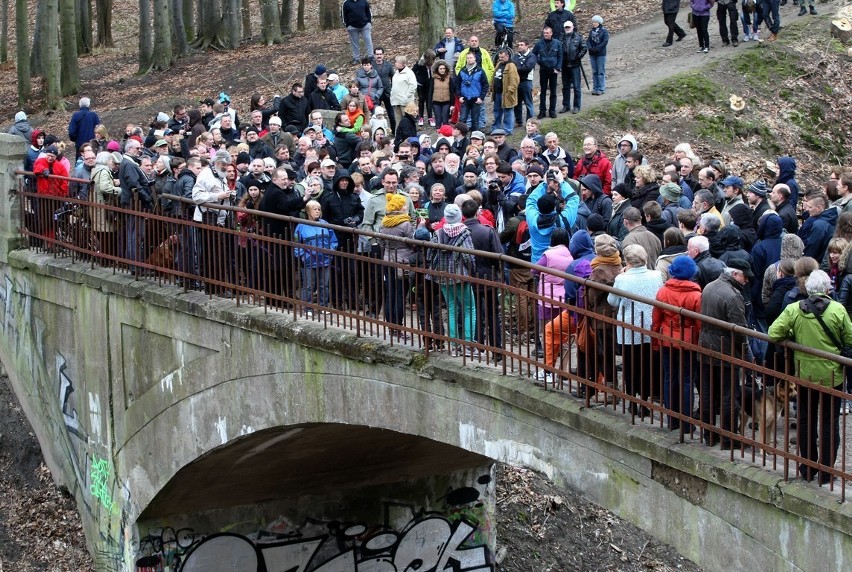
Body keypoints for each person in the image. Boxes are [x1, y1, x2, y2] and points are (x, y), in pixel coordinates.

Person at [769, 270, 850, 484]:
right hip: (832, 375)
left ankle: (807, 467)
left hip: (804, 374)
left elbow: (773, 333)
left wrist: (792, 336)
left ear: (806, 288)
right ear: (827, 289)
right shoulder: (838, 309)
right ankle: (825, 471)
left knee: (805, 420)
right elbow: (850, 338)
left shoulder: (794, 309)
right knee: (830, 423)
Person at [699, 258, 752, 449]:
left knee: (707, 392)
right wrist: (746, 354)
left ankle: (708, 433)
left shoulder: (709, 287)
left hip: (705, 345)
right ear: (735, 274)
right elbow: (739, 330)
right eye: (745, 277)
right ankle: (729, 437)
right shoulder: (733, 296)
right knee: (729, 395)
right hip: (725, 349)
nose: (746, 281)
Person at [608, 245, 664, 415]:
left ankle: (632, 400)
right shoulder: (656, 275)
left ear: (627, 261)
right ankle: (645, 401)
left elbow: (613, 301)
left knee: (631, 365)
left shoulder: (622, 279)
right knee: (647, 365)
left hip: (629, 328)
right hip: (650, 326)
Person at [429, 204, 477, 356]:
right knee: (469, 308)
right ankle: (468, 344)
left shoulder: (438, 233)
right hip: (460, 275)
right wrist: (471, 271)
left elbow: (431, 254)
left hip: (443, 274)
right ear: (459, 216)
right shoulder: (465, 233)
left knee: (451, 308)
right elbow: (469, 256)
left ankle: (453, 344)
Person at [294, 200, 338, 316]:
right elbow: (297, 243)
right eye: (314, 209)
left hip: (325, 260)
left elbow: (333, 240)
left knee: (325, 284)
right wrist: (302, 256)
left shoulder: (325, 223)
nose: (317, 211)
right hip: (308, 260)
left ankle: (323, 305)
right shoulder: (301, 225)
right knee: (308, 285)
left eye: (319, 209)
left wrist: (331, 252)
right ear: (308, 211)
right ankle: (307, 307)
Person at [533, 27, 563, 119]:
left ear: (551, 33)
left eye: (547, 33)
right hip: (543, 70)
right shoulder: (539, 44)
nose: (546, 34)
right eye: (544, 33)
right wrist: (539, 61)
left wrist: (558, 68)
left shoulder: (557, 43)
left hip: (553, 70)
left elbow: (560, 56)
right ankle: (542, 111)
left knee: (553, 92)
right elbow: (533, 54)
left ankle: (552, 110)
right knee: (543, 91)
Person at [456, 53, 490, 132]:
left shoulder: (480, 71)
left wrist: (481, 97)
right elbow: (457, 84)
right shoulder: (462, 71)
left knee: (475, 120)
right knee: (462, 119)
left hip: (476, 99)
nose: (469, 59)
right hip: (464, 98)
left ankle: (474, 136)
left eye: (471, 58)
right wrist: (459, 96)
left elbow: (485, 85)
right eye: (468, 58)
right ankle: (461, 135)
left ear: (475, 59)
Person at [560, 20, 586, 114]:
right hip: (564, 65)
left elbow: (584, 48)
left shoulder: (578, 37)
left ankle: (576, 106)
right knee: (565, 87)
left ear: (572, 27)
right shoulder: (561, 38)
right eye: (566, 27)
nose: (567, 29)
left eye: (569, 27)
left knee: (576, 87)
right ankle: (566, 105)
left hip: (574, 65)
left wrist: (578, 57)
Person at [492, 49, 520, 135]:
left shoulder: (511, 66)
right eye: (499, 57)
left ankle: (507, 130)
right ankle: (496, 128)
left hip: (506, 94)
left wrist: (509, 91)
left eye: (502, 57)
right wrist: (491, 87)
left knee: (508, 111)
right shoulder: (499, 64)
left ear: (507, 56)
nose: (500, 58)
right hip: (497, 93)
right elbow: (494, 76)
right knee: (497, 111)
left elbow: (514, 80)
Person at [512, 40, 538, 126]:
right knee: (517, 103)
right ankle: (518, 121)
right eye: (518, 45)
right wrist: (519, 68)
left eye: (521, 44)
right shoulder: (515, 56)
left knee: (528, 102)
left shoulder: (531, 56)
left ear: (527, 46)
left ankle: (530, 122)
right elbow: (512, 66)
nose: (519, 46)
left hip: (526, 82)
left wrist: (517, 69)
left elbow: (527, 68)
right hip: (516, 82)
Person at [586, 15, 609, 95]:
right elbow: (588, 41)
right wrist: (590, 48)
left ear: (599, 22)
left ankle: (601, 88)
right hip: (592, 54)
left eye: (596, 22)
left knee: (601, 71)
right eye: (593, 22)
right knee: (595, 71)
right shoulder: (591, 31)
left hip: (600, 54)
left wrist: (597, 49)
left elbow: (605, 42)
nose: (594, 23)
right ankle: (595, 87)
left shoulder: (604, 31)